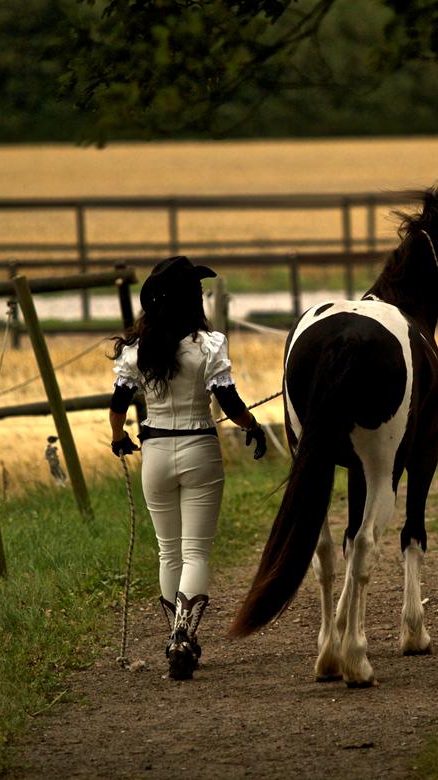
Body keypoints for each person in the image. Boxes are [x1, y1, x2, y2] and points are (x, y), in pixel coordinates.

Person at [108, 256, 267, 681]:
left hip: (155, 452)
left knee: (168, 550)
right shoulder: (209, 345)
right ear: (187, 300)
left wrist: (118, 437)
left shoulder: (137, 351)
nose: (201, 296)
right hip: (200, 448)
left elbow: (118, 404)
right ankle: (183, 634)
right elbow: (230, 405)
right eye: (196, 291)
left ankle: (175, 636)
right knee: (196, 551)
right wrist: (253, 426)